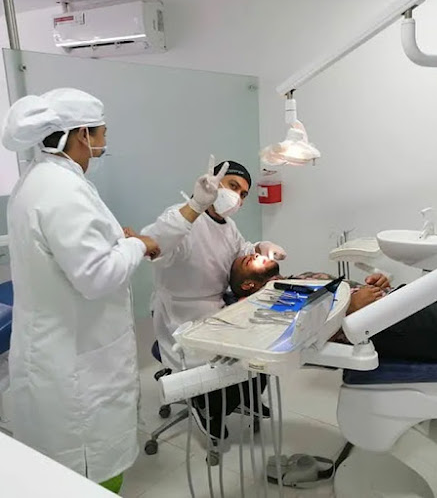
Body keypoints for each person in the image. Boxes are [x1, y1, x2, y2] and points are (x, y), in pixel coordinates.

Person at [1, 88, 162, 494]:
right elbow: (97, 276)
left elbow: (76, 252)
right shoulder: (62, 190)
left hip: (56, 346)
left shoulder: (39, 179)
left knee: (59, 467)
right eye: (101, 132)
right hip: (75, 362)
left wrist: (118, 242)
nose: (104, 142)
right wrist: (136, 245)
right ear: (81, 135)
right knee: (89, 467)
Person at [229, 255, 437, 370]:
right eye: (247, 260)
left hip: (395, 298)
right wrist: (351, 307)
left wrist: (374, 285)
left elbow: (348, 291)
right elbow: (301, 335)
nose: (255, 254)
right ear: (248, 284)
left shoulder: (296, 278)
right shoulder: (269, 302)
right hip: (383, 325)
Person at [141, 158, 287, 370]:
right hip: (181, 315)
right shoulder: (182, 217)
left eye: (243, 194)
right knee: (217, 369)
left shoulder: (228, 226)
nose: (237, 197)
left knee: (252, 355)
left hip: (217, 308)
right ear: (214, 182)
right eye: (233, 186)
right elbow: (155, 244)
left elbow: (238, 251)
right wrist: (195, 206)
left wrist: (259, 248)